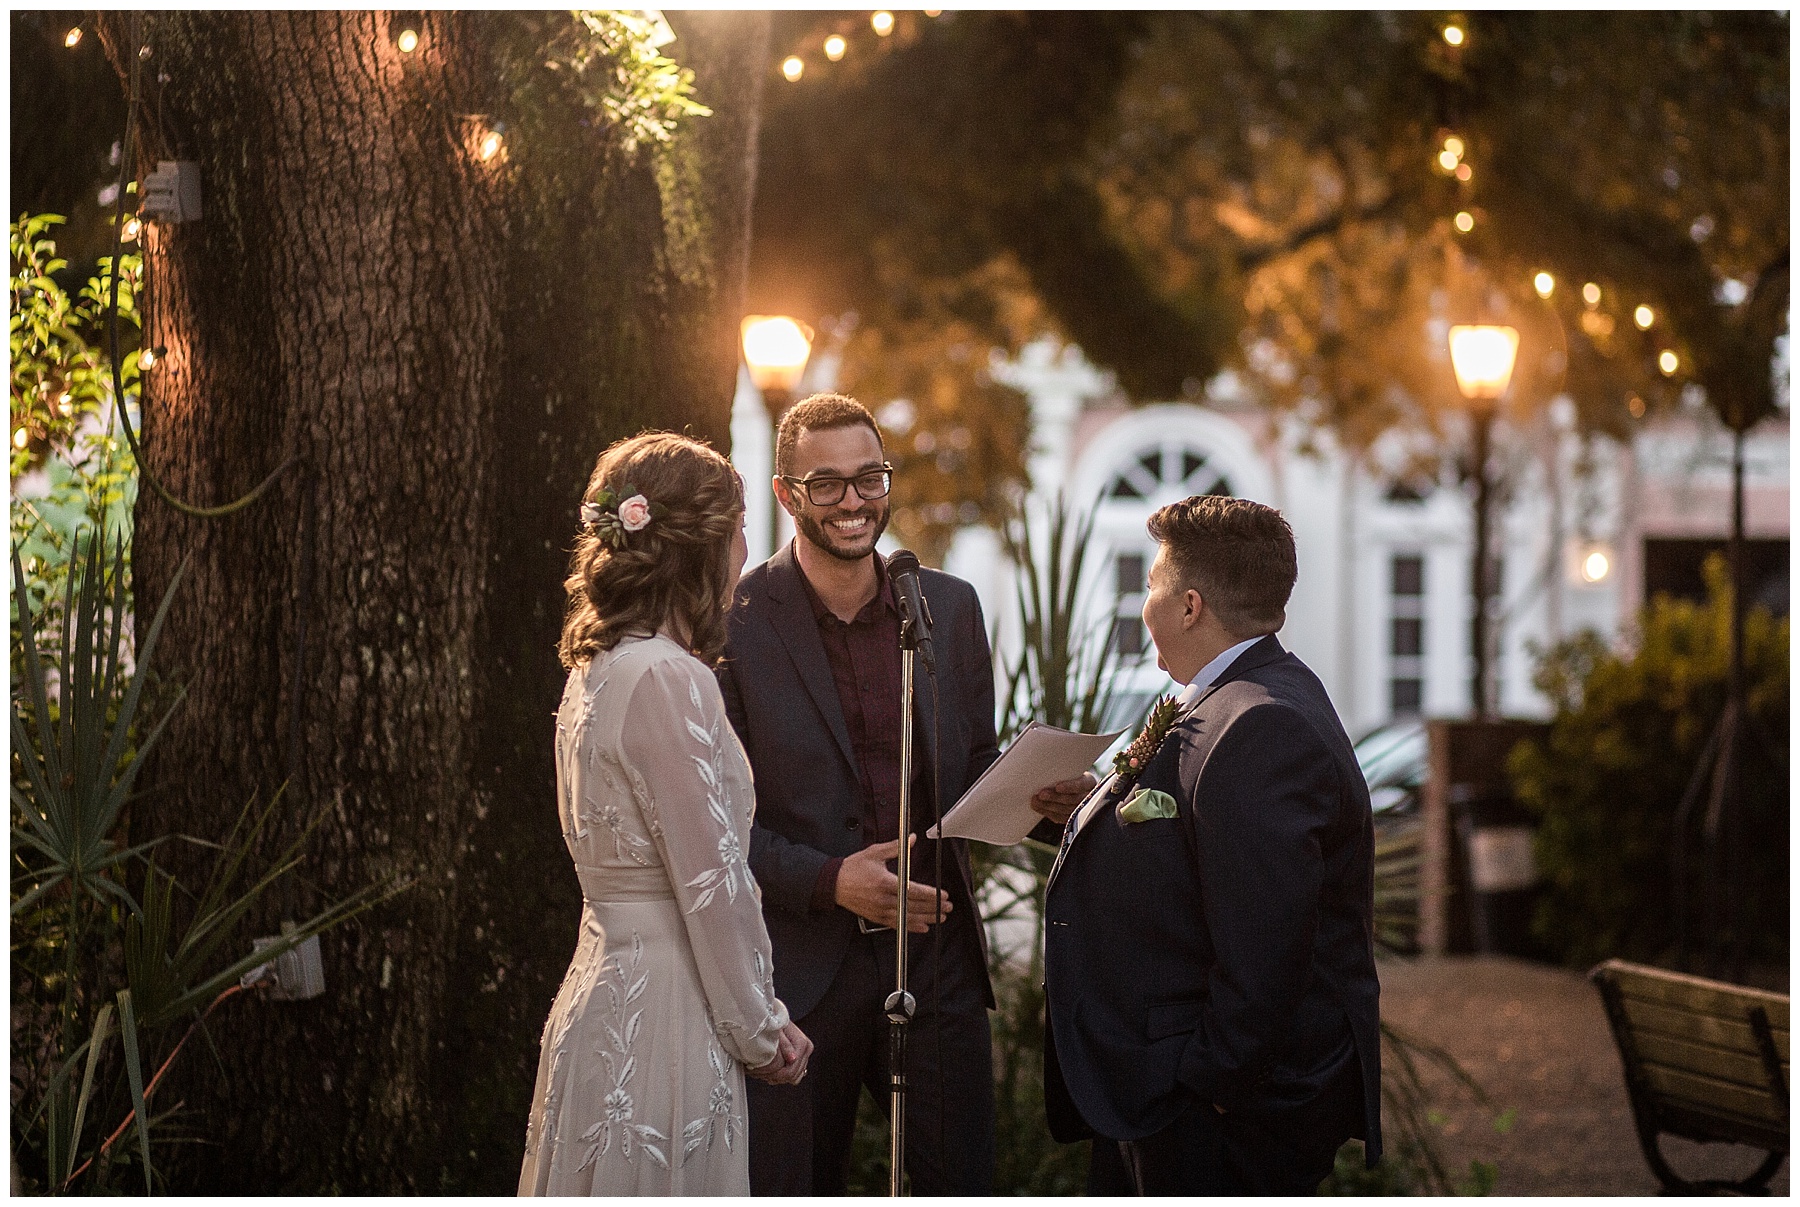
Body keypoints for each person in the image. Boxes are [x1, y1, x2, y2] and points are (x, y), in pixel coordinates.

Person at [719, 394, 1088, 1195]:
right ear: (786, 493)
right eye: (828, 484)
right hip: (799, 971)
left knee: (959, 1183)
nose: (854, 501)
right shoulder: (736, 620)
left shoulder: (948, 607)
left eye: (870, 478)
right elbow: (717, 829)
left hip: (937, 953)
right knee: (794, 1186)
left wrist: (1047, 800)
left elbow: (975, 765)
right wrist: (831, 880)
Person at [1038, 494, 1382, 1196]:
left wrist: (1203, 1087)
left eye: (1150, 586)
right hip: (1180, 1098)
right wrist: (1095, 810)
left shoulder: (1260, 723)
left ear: (1190, 606)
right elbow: (1204, 852)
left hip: (1220, 1121)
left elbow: (1264, 952)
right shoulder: (1239, 696)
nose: (1145, 604)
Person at [519, 432, 814, 1196]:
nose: (751, 548)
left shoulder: (597, 668)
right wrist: (762, 1024)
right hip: (665, 1018)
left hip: (599, 992)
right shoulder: (669, 677)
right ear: (702, 545)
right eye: (742, 526)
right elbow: (710, 881)